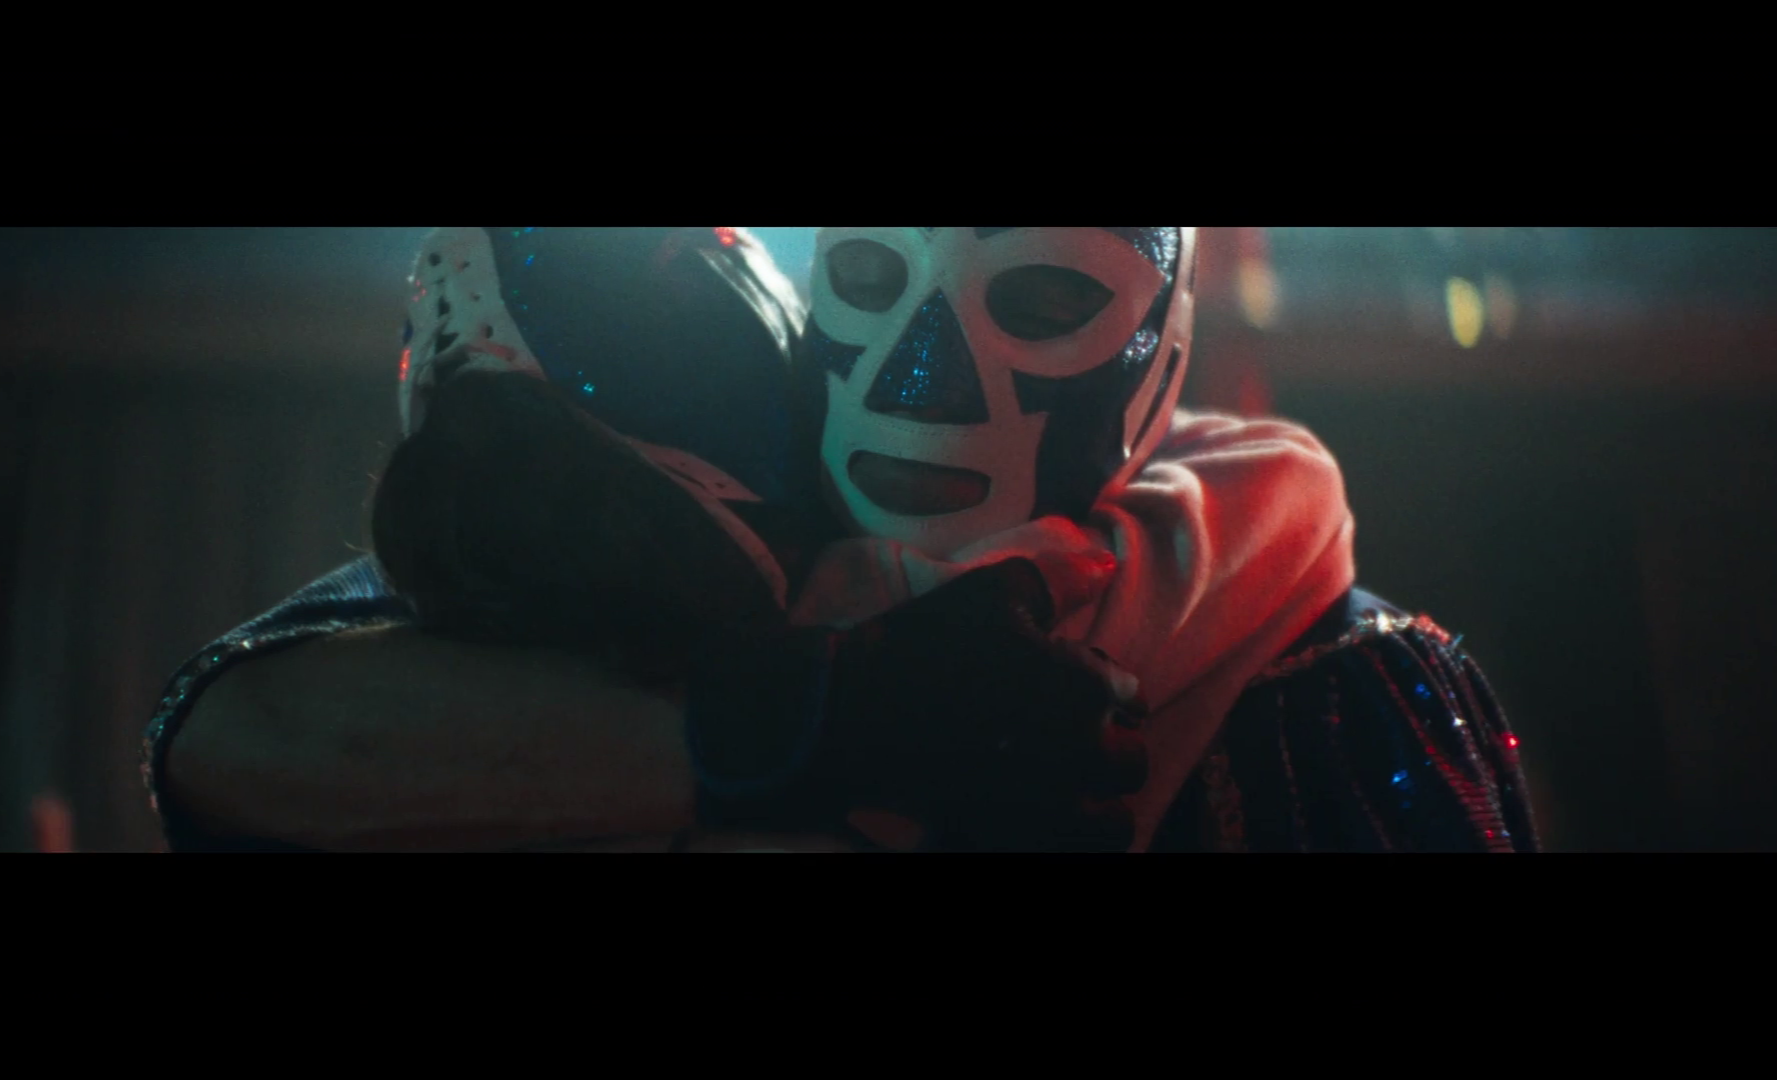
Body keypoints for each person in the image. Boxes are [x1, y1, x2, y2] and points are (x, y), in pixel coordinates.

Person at [150, 226, 1539, 852]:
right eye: (872, 278)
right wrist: (814, 718)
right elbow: (232, 733)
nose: (925, 379)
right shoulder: (615, 615)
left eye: (1040, 297)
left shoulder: (1332, 681)